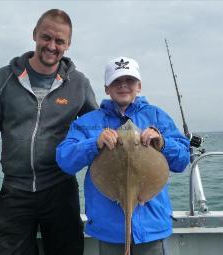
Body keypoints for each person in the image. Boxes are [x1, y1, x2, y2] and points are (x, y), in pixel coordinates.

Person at [0, 9, 98, 255]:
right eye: (46, 37)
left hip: (61, 190)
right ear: (34, 35)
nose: (52, 46)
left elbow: (98, 126)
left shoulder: (79, 84)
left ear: (68, 44)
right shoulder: (3, 78)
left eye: (59, 41)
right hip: (14, 190)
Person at [56, 56, 190, 255]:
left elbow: (182, 161)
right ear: (107, 88)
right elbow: (64, 159)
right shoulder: (89, 122)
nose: (123, 86)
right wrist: (94, 143)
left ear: (139, 86)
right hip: (109, 228)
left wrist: (163, 143)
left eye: (129, 81)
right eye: (116, 81)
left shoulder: (157, 117)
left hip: (151, 226)